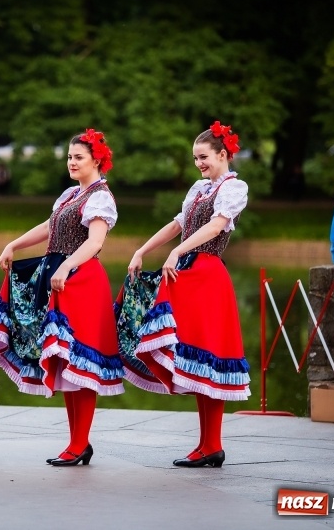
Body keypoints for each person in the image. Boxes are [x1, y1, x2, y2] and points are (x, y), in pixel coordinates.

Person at [0, 129, 125, 466]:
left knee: (82, 361)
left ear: (97, 160)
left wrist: (65, 267)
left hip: (82, 280)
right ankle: (76, 444)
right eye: (69, 157)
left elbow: (94, 242)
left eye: (78, 157)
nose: (72, 162)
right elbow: (50, 227)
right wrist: (14, 244)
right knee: (63, 360)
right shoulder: (69, 195)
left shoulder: (100, 197)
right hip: (60, 278)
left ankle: (80, 443)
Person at [121, 120, 250, 468]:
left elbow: (216, 226)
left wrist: (177, 252)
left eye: (204, 157)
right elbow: (178, 224)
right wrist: (142, 250)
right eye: (195, 158)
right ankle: (207, 445)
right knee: (192, 355)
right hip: (187, 274)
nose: (199, 164)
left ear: (223, 154)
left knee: (207, 354)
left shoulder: (234, 188)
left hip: (206, 273)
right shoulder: (199, 188)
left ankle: (212, 444)